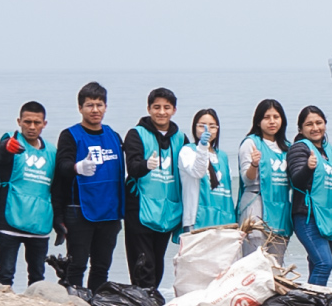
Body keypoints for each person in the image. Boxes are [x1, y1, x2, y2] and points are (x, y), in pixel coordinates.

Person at [54, 81, 123, 291]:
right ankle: (73, 302)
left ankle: (96, 305)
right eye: (90, 105)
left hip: (110, 212)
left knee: (102, 266)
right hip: (80, 211)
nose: (95, 110)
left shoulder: (113, 136)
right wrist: (76, 167)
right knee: (77, 265)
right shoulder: (70, 135)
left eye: (99, 105)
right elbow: (61, 166)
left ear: (106, 107)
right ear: (80, 108)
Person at [0, 101, 54, 289]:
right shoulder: (11, 140)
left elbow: (56, 187)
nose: (32, 127)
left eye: (37, 122)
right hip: (10, 221)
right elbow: (0, 157)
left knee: (38, 278)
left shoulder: (51, 151)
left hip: (40, 222)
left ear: (44, 124)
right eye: (27, 122)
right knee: (6, 274)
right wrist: (6, 148)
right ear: (19, 121)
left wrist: (60, 220)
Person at [122, 88, 184, 290]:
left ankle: (151, 300)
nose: (161, 112)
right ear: (149, 109)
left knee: (157, 261)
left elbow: (189, 172)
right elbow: (132, 167)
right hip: (140, 209)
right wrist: (145, 165)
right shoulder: (136, 134)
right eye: (156, 107)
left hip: (167, 212)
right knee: (142, 262)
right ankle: (141, 300)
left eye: (167, 107)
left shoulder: (181, 138)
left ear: (174, 110)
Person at [287, 105, 332, 286]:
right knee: (323, 263)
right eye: (309, 124)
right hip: (307, 216)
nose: (315, 128)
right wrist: (308, 167)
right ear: (300, 129)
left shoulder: (331, 151)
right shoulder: (299, 149)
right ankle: (312, 305)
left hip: (328, 217)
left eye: (319, 123)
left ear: (325, 124)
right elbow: (296, 180)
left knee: (317, 264)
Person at [239, 99, 292, 260]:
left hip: (280, 209)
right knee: (254, 261)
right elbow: (246, 180)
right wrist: (254, 164)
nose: (272, 121)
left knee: (276, 264)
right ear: (258, 120)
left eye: (276, 117)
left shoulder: (287, 147)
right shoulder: (251, 143)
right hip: (256, 204)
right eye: (266, 117)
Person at [179, 109, 238, 230]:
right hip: (197, 219)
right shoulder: (188, 151)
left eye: (212, 126)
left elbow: (227, 189)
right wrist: (202, 146)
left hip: (224, 220)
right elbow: (197, 172)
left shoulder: (222, 156)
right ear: (194, 128)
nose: (207, 129)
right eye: (202, 125)